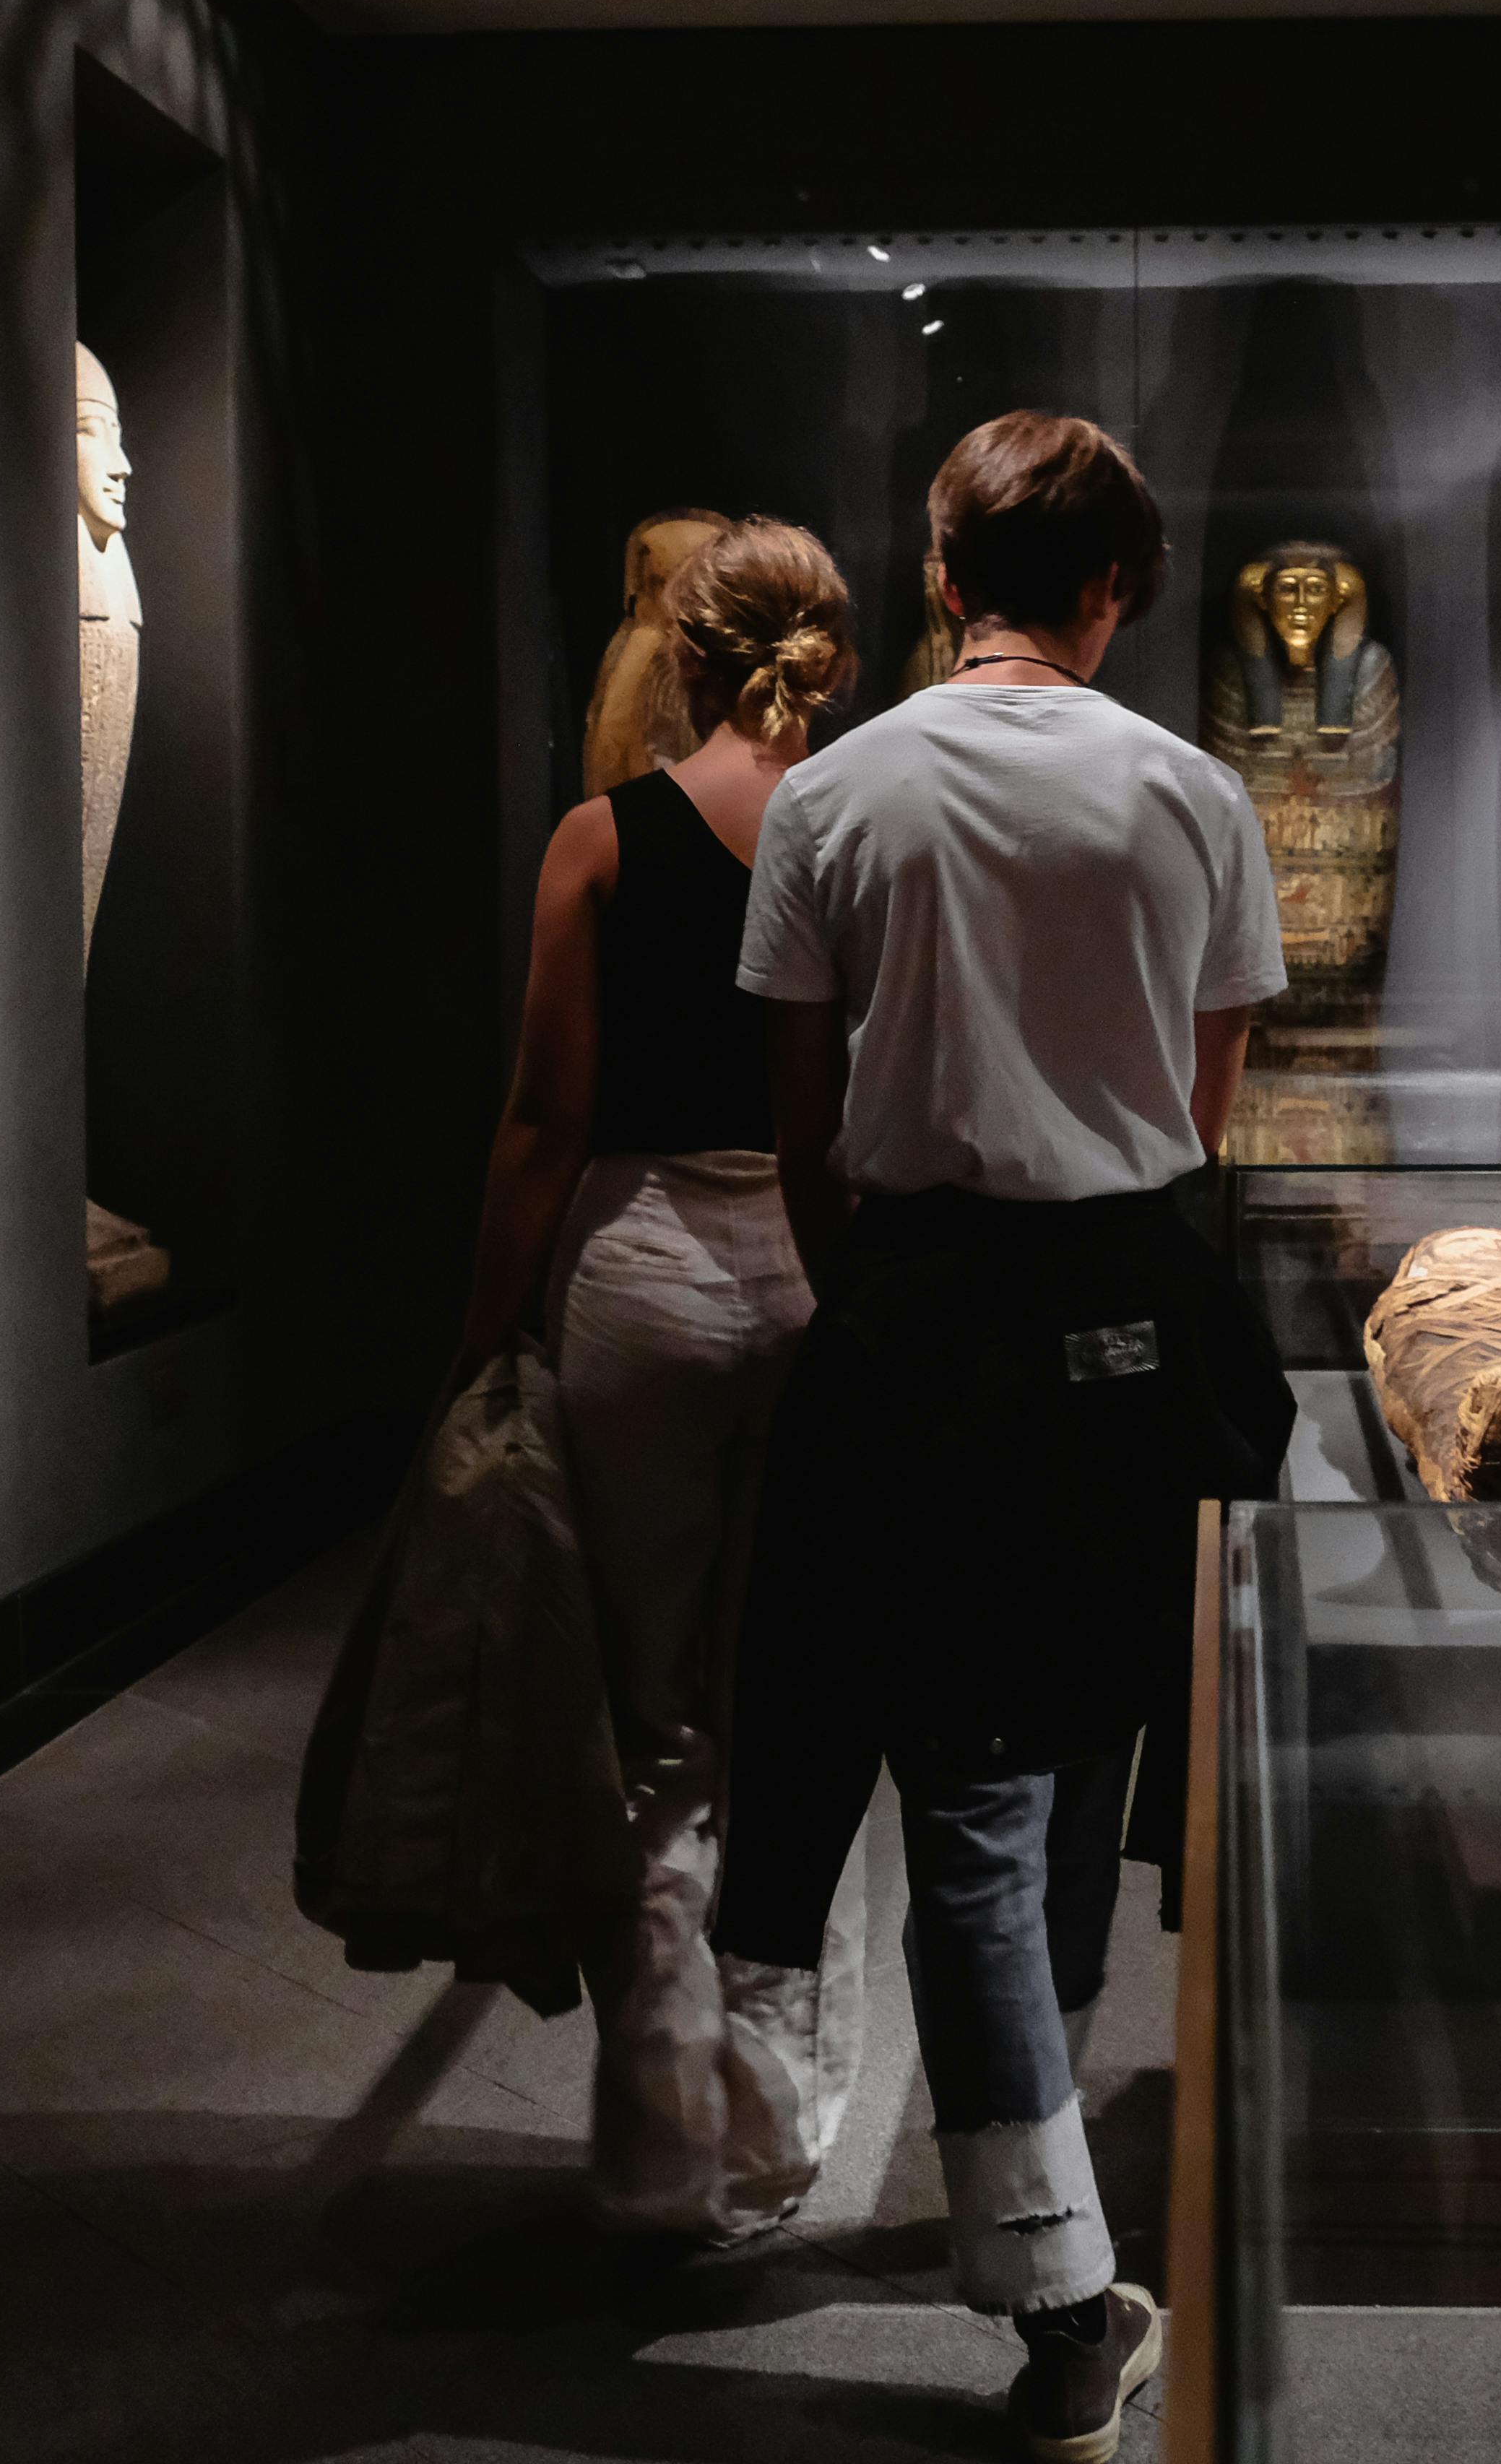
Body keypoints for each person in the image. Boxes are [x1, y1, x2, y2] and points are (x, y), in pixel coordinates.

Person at [711, 413, 1297, 2464]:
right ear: (1116, 587)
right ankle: (1058, 2278)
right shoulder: (1193, 791)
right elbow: (1203, 1108)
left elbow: (801, 1126)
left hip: (924, 1309)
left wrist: (882, 1296)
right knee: (1062, 1765)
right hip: (1134, 1308)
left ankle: (1051, 2254)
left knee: (978, 1786)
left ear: (946, 575)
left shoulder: (836, 792)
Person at [457, 517, 869, 2246]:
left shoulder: (601, 837)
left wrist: (485, 1332)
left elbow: (545, 1117)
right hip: (821, 1269)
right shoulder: (863, 827)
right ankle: (778, 2130)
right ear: (832, 661)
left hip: (636, 1272)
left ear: (679, 656)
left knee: (657, 1718)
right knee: (800, 1704)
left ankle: (659, 2134)